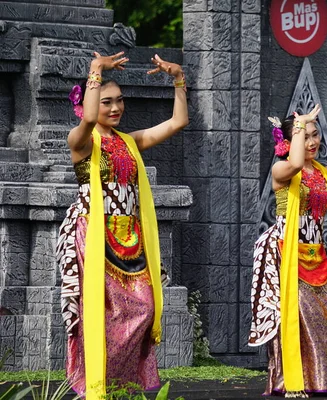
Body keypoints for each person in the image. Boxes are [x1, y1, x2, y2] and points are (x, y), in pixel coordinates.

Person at [56, 51, 188, 399]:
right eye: (106, 102)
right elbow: (85, 121)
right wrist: (94, 72)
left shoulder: (130, 142)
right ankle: (97, 387)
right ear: (89, 104)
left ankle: (119, 383)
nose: (115, 108)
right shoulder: (81, 143)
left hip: (130, 238)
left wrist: (178, 80)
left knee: (144, 309)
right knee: (99, 318)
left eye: (119, 101)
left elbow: (177, 123)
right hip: (95, 238)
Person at [249, 105, 327, 397]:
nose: (312, 141)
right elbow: (295, 164)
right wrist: (300, 124)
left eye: (315, 134)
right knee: (297, 320)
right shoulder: (281, 170)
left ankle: (320, 383)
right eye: (304, 136)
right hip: (287, 256)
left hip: (317, 256)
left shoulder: (323, 173)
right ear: (289, 140)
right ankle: (291, 383)